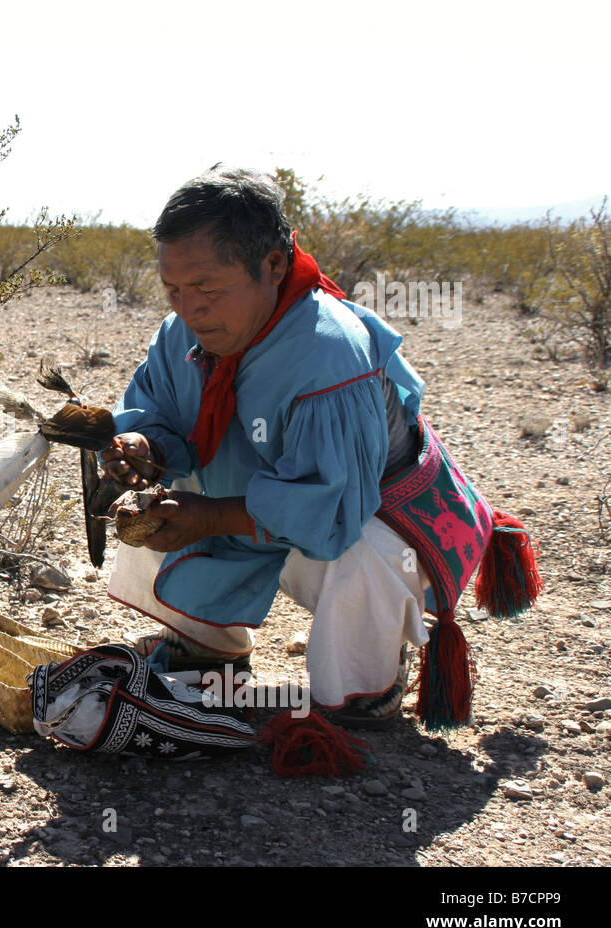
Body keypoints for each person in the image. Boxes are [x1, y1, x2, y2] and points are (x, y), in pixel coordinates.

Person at [99, 166, 539, 730]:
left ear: (274, 265)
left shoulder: (327, 354)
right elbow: (163, 415)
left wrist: (210, 516)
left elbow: (333, 508)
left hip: (367, 512)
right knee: (157, 508)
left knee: (361, 558)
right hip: (267, 494)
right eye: (173, 290)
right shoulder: (183, 331)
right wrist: (142, 447)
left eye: (206, 288)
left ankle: (365, 690)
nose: (189, 308)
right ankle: (208, 651)